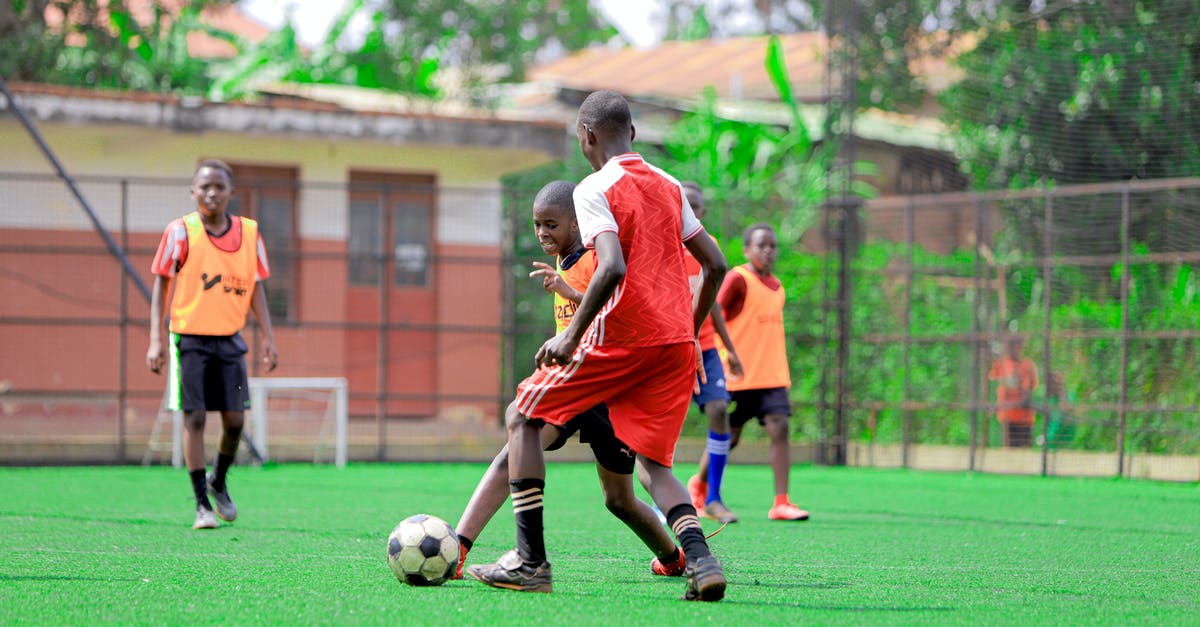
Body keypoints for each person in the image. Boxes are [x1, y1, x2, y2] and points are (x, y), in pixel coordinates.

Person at [467, 90, 729, 602]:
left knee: (521, 417)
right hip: (675, 343)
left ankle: (530, 561)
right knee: (655, 467)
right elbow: (715, 264)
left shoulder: (594, 188)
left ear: (585, 135)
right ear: (631, 133)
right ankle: (701, 561)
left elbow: (611, 266)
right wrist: (692, 335)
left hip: (624, 336)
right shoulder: (671, 185)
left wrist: (569, 334)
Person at [451, 180, 686, 580]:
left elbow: (617, 310)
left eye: (552, 225)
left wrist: (569, 296)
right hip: (572, 385)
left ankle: (673, 557)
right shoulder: (563, 259)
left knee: (619, 499)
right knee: (514, 445)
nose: (543, 233)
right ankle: (458, 548)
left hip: (611, 391)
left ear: (578, 224)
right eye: (538, 224)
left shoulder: (599, 258)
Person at [146, 159, 278, 530]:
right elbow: (162, 282)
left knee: (235, 421)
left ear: (230, 192)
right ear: (193, 192)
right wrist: (156, 338)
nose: (211, 193)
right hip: (189, 340)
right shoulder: (180, 232)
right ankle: (201, 505)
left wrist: (268, 335)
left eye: (219, 186)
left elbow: (256, 287)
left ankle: (218, 481)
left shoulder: (250, 233)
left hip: (230, 342)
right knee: (196, 418)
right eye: (204, 187)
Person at [711, 223, 809, 521]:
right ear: (746, 250)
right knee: (730, 435)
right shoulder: (737, 279)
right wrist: (726, 354)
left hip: (770, 375)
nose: (768, 251)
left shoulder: (778, 286)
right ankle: (702, 488)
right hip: (738, 374)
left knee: (779, 427)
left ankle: (781, 502)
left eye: (772, 246)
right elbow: (714, 312)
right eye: (761, 246)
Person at [678, 182, 744, 524]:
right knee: (665, 425)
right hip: (670, 348)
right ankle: (668, 502)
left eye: (695, 205)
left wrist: (729, 349)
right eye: (682, 204)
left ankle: (712, 496)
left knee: (720, 409)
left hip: (703, 348)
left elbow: (714, 304)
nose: (688, 210)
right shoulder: (660, 244)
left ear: (701, 214)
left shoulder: (709, 248)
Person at [988, 335, 1038, 447]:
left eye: (1017, 345)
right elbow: (994, 383)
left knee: (1024, 453)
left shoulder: (1028, 366)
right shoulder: (1001, 364)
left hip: (1024, 419)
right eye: (1011, 345)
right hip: (1007, 418)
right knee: (1008, 453)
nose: (1014, 348)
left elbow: (1027, 395)